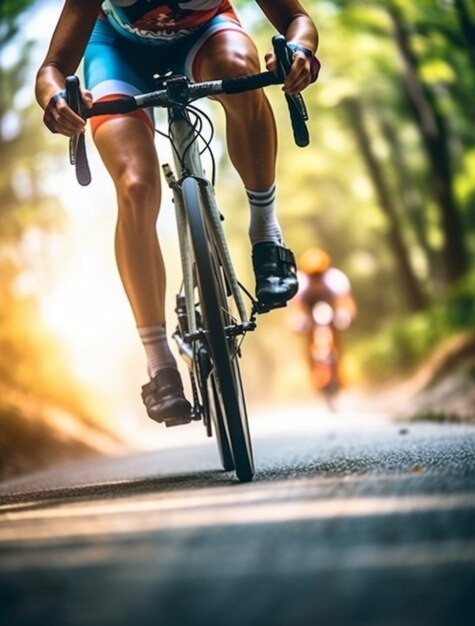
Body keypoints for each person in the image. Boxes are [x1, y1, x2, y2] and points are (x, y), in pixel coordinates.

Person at [35, 1, 320, 426]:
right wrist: (56, 99)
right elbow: (53, 68)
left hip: (206, 35)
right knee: (134, 184)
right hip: (114, 51)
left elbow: (298, 22)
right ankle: (159, 362)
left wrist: (299, 50)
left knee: (240, 69)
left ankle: (267, 236)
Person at [288, 248, 356, 386]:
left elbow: (345, 301)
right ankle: (314, 371)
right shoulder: (300, 282)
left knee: (337, 339)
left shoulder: (335, 278)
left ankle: (340, 371)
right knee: (308, 340)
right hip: (310, 315)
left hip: (331, 313)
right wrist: (296, 320)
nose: (316, 278)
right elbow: (296, 306)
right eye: (312, 275)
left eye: (319, 274)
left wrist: (345, 314)